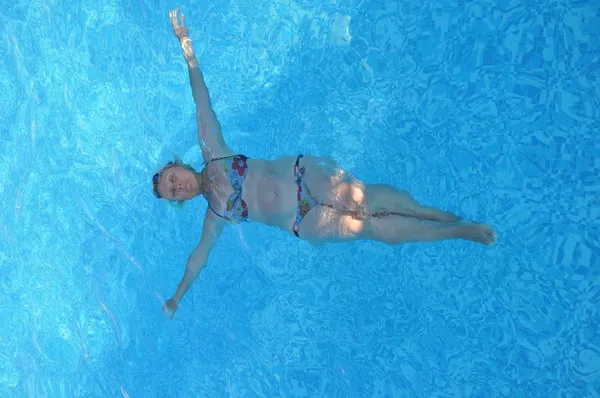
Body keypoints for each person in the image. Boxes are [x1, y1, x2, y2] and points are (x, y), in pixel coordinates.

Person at [157, 9, 497, 318]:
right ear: (180, 202)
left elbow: (201, 99)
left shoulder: (213, 151)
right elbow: (197, 260)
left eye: (172, 178)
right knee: (369, 227)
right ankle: (456, 232)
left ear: (178, 166)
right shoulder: (214, 216)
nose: (177, 186)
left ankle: (439, 216)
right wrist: (176, 297)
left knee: (367, 202)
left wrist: (185, 42)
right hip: (301, 219)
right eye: (173, 194)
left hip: (303, 175)